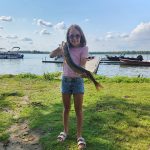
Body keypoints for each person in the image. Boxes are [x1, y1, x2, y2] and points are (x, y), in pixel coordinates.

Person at [50, 24, 88, 149]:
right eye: (71, 36)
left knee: (78, 110)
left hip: (77, 81)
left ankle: (79, 136)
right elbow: (51, 55)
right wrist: (59, 49)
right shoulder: (65, 48)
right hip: (65, 81)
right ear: (68, 37)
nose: (74, 38)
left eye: (77, 35)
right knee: (66, 108)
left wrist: (83, 73)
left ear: (81, 36)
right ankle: (65, 131)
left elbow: (81, 67)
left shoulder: (84, 48)